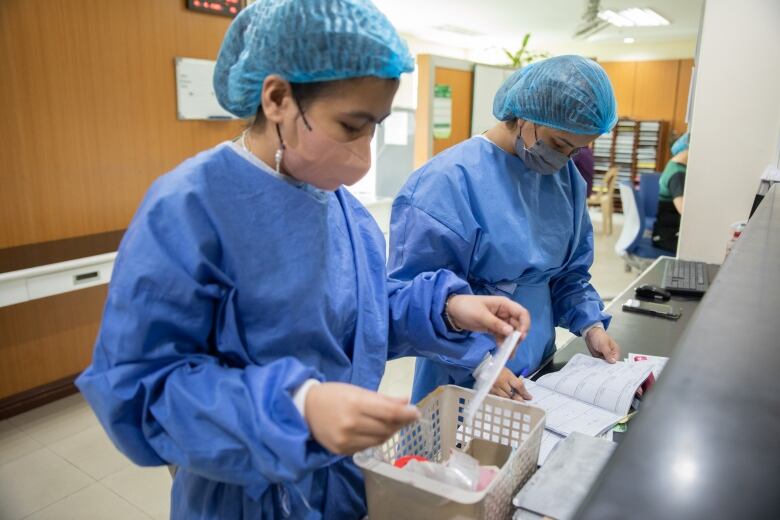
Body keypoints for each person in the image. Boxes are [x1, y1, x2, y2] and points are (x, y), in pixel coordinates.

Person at [75, 1, 529, 518]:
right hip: (241, 491)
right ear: (277, 99)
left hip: (342, 479)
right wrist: (298, 407)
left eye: (375, 125)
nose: (365, 152)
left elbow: (358, 315)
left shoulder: (338, 205)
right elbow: (142, 389)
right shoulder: (189, 209)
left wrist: (446, 310)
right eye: (351, 125)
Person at [389, 55, 623, 404]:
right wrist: (481, 362)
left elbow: (568, 274)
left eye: (576, 150)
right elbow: (417, 300)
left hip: (537, 359)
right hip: (462, 371)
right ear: (525, 115)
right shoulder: (447, 182)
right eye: (559, 144)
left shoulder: (565, 180)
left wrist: (590, 325)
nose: (564, 160)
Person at [652, 133, 689, 253]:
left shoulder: (673, 164)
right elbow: (684, 210)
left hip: (665, 231)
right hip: (667, 236)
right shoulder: (678, 174)